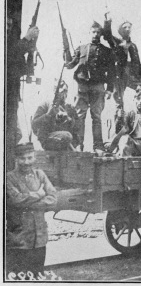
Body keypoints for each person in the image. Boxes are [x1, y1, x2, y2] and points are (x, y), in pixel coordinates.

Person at [6, 142, 57, 276]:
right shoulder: (9, 177)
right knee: (16, 277)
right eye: (22, 158)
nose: (26, 162)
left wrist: (29, 201)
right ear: (16, 159)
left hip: (39, 237)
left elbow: (53, 198)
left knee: (37, 275)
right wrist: (40, 194)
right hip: (19, 238)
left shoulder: (40, 175)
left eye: (30, 158)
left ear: (34, 158)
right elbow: (16, 199)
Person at [64, 21, 115, 153]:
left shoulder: (107, 51)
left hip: (98, 87)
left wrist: (110, 89)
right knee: (80, 116)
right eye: (93, 32)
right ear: (89, 33)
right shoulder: (81, 48)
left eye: (98, 32)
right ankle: (78, 145)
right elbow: (70, 65)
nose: (96, 34)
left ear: (101, 34)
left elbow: (112, 72)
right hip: (82, 87)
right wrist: (66, 50)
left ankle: (98, 146)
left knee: (96, 117)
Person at [103, 18, 141, 133]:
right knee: (119, 104)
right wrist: (107, 22)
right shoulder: (116, 41)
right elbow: (107, 34)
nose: (128, 29)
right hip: (120, 75)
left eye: (129, 27)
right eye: (125, 27)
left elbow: (138, 62)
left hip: (133, 75)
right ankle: (117, 133)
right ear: (120, 30)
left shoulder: (133, 46)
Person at [6, 17, 38, 170]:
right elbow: (8, 55)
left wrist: (31, 49)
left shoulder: (12, 41)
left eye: (9, 25)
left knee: (14, 132)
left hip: (11, 92)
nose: (7, 28)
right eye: (5, 24)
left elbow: (21, 68)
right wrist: (26, 38)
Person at [106, 87, 141, 156]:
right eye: (138, 99)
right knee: (124, 139)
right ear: (134, 100)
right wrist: (119, 118)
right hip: (133, 145)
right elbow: (119, 131)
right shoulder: (130, 115)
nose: (140, 101)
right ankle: (126, 163)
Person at [32, 79, 78, 151]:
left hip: (67, 142)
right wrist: (48, 115)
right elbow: (34, 124)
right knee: (67, 136)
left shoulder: (70, 108)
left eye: (65, 92)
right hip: (48, 139)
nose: (63, 95)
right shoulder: (45, 105)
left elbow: (77, 128)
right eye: (61, 92)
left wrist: (69, 120)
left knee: (68, 136)